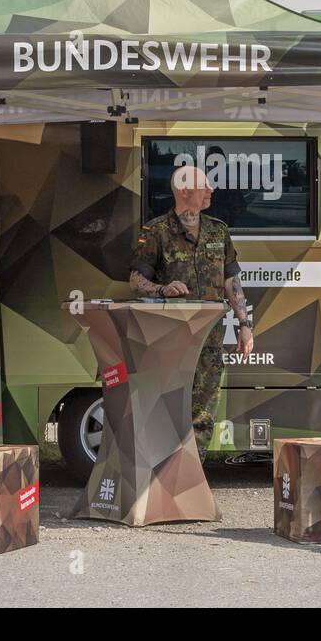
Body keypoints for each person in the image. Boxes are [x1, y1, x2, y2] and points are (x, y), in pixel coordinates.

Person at [129, 165, 254, 455]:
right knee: (166, 408)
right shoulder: (156, 231)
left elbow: (231, 282)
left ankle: (191, 476)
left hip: (208, 341)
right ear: (185, 191)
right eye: (204, 185)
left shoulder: (218, 231)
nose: (211, 190)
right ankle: (163, 473)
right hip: (170, 340)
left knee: (203, 414)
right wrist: (162, 289)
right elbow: (136, 279)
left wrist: (245, 324)